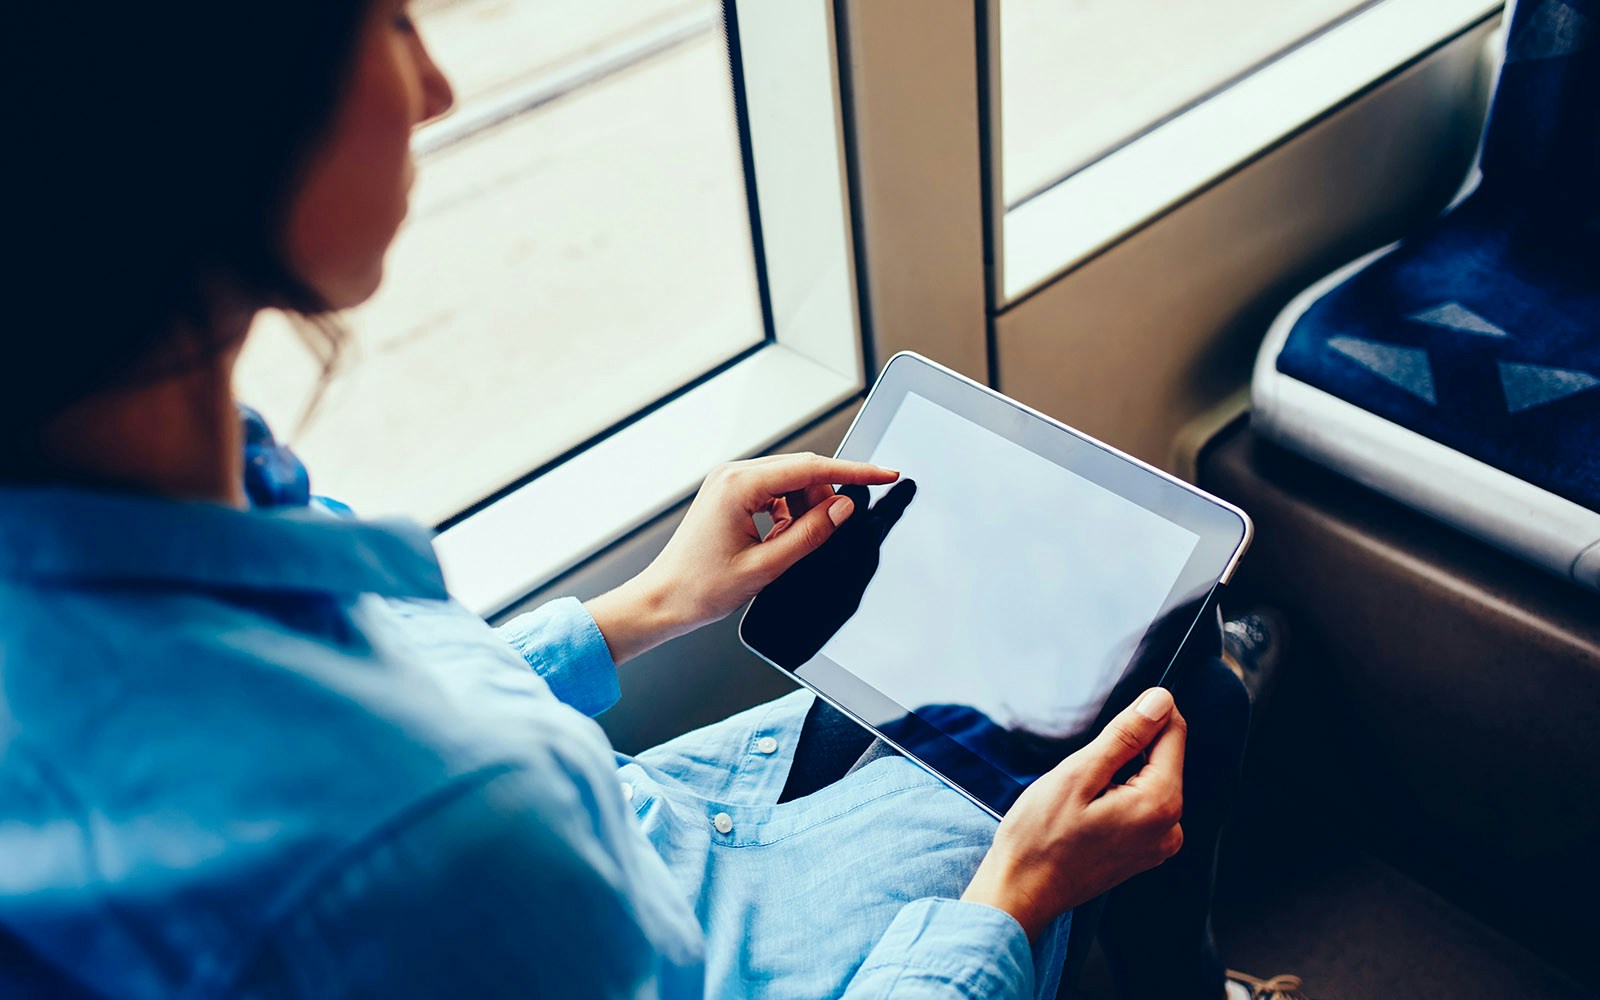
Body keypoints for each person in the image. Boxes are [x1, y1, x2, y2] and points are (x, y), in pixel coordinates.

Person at [0, 3, 1302, 997]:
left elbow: (369, 703)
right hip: (642, 921)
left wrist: (637, 614)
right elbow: (426, 804)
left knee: (1110, 682)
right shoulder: (440, 825)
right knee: (1179, 689)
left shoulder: (146, 497)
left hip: (603, 840)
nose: (440, 83)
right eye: (393, 20)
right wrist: (1010, 904)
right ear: (218, 114)